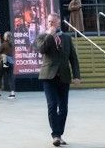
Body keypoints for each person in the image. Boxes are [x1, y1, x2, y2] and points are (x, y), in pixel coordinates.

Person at [34, 13, 80, 146]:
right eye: (49, 22)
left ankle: (59, 134)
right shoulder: (42, 37)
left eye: (53, 22)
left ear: (59, 22)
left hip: (64, 76)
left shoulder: (66, 37)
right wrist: (50, 35)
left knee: (64, 108)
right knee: (52, 105)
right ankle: (55, 135)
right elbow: (41, 50)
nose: (51, 24)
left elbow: (73, 58)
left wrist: (77, 75)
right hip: (48, 76)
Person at [0, 31, 16, 98]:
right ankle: (12, 93)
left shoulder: (3, 44)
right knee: (10, 77)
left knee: (0, 76)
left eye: (4, 36)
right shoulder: (12, 44)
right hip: (11, 62)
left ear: (5, 37)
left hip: (4, 61)